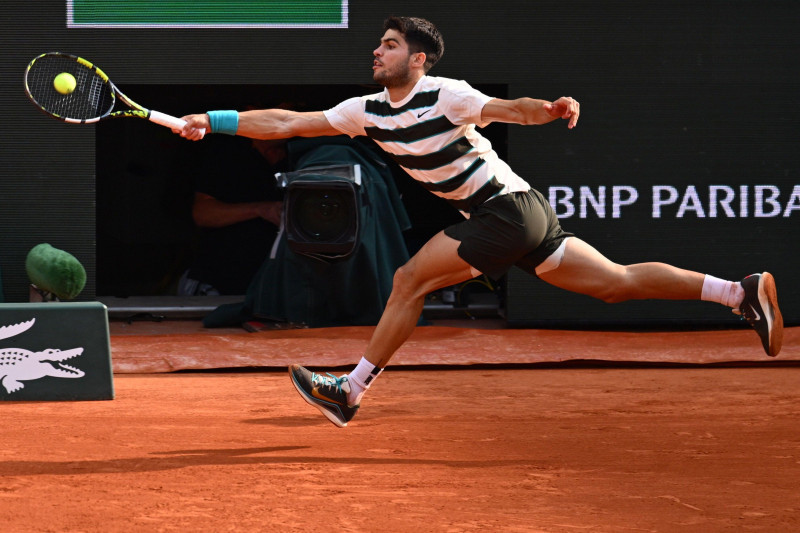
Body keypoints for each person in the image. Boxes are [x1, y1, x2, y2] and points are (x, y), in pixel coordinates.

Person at [176, 16, 783, 427]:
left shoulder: (447, 94)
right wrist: (214, 120)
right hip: (520, 213)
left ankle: (350, 390)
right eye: (379, 45)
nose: (377, 52)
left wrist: (548, 110)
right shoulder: (365, 111)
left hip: (506, 212)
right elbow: (286, 123)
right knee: (614, 282)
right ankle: (738, 292)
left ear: (417, 58)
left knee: (408, 280)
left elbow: (508, 110)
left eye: (389, 45)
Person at [179, 136, 286, 296]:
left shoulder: (301, 156)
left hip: (275, 285)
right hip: (219, 281)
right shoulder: (227, 153)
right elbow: (202, 213)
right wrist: (260, 209)